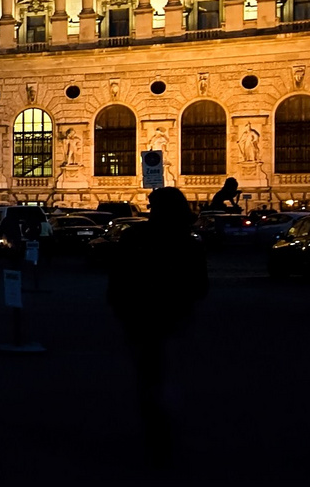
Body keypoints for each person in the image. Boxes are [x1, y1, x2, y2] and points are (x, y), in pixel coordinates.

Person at [106, 186, 209, 465]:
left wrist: (120, 307)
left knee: (148, 373)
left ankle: (155, 427)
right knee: (168, 372)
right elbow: (200, 285)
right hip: (174, 316)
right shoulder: (189, 243)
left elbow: (118, 278)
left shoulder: (134, 237)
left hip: (140, 316)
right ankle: (166, 428)